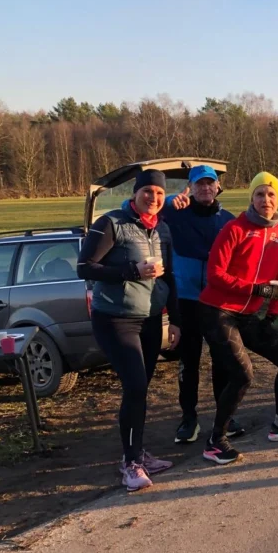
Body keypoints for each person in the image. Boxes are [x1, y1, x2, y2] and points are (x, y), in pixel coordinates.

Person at [77, 168, 180, 491]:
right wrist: (131, 270)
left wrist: (174, 318)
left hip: (150, 317)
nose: (153, 198)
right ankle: (130, 463)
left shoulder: (162, 229)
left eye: (160, 194)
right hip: (115, 319)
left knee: (140, 389)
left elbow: (170, 277)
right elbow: (84, 267)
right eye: (148, 191)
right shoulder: (111, 223)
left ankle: (139, 453)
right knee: (135, 385)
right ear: (136, 193)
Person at [198, 172, 278, 464]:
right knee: (243, 374)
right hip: (217, 310)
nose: (266, 200)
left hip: (248, 314)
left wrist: (272, 314)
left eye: (271, 195)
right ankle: (215, 441)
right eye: (260, 195)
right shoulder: (235, 228)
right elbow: (215, 275)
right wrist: (254, 289)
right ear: (251, 198)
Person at [161, 164, 237, 444]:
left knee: (222, 360)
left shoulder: (227, 220)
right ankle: (188, 418)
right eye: (199, 184)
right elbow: (133, 206)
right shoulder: (174, 214)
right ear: (190, 188)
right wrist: (169, 201)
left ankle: (224, 415)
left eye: (210, 183)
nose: (205, 188)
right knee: (189, 362)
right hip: (187, 300)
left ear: (218, 187)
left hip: (217, 301)